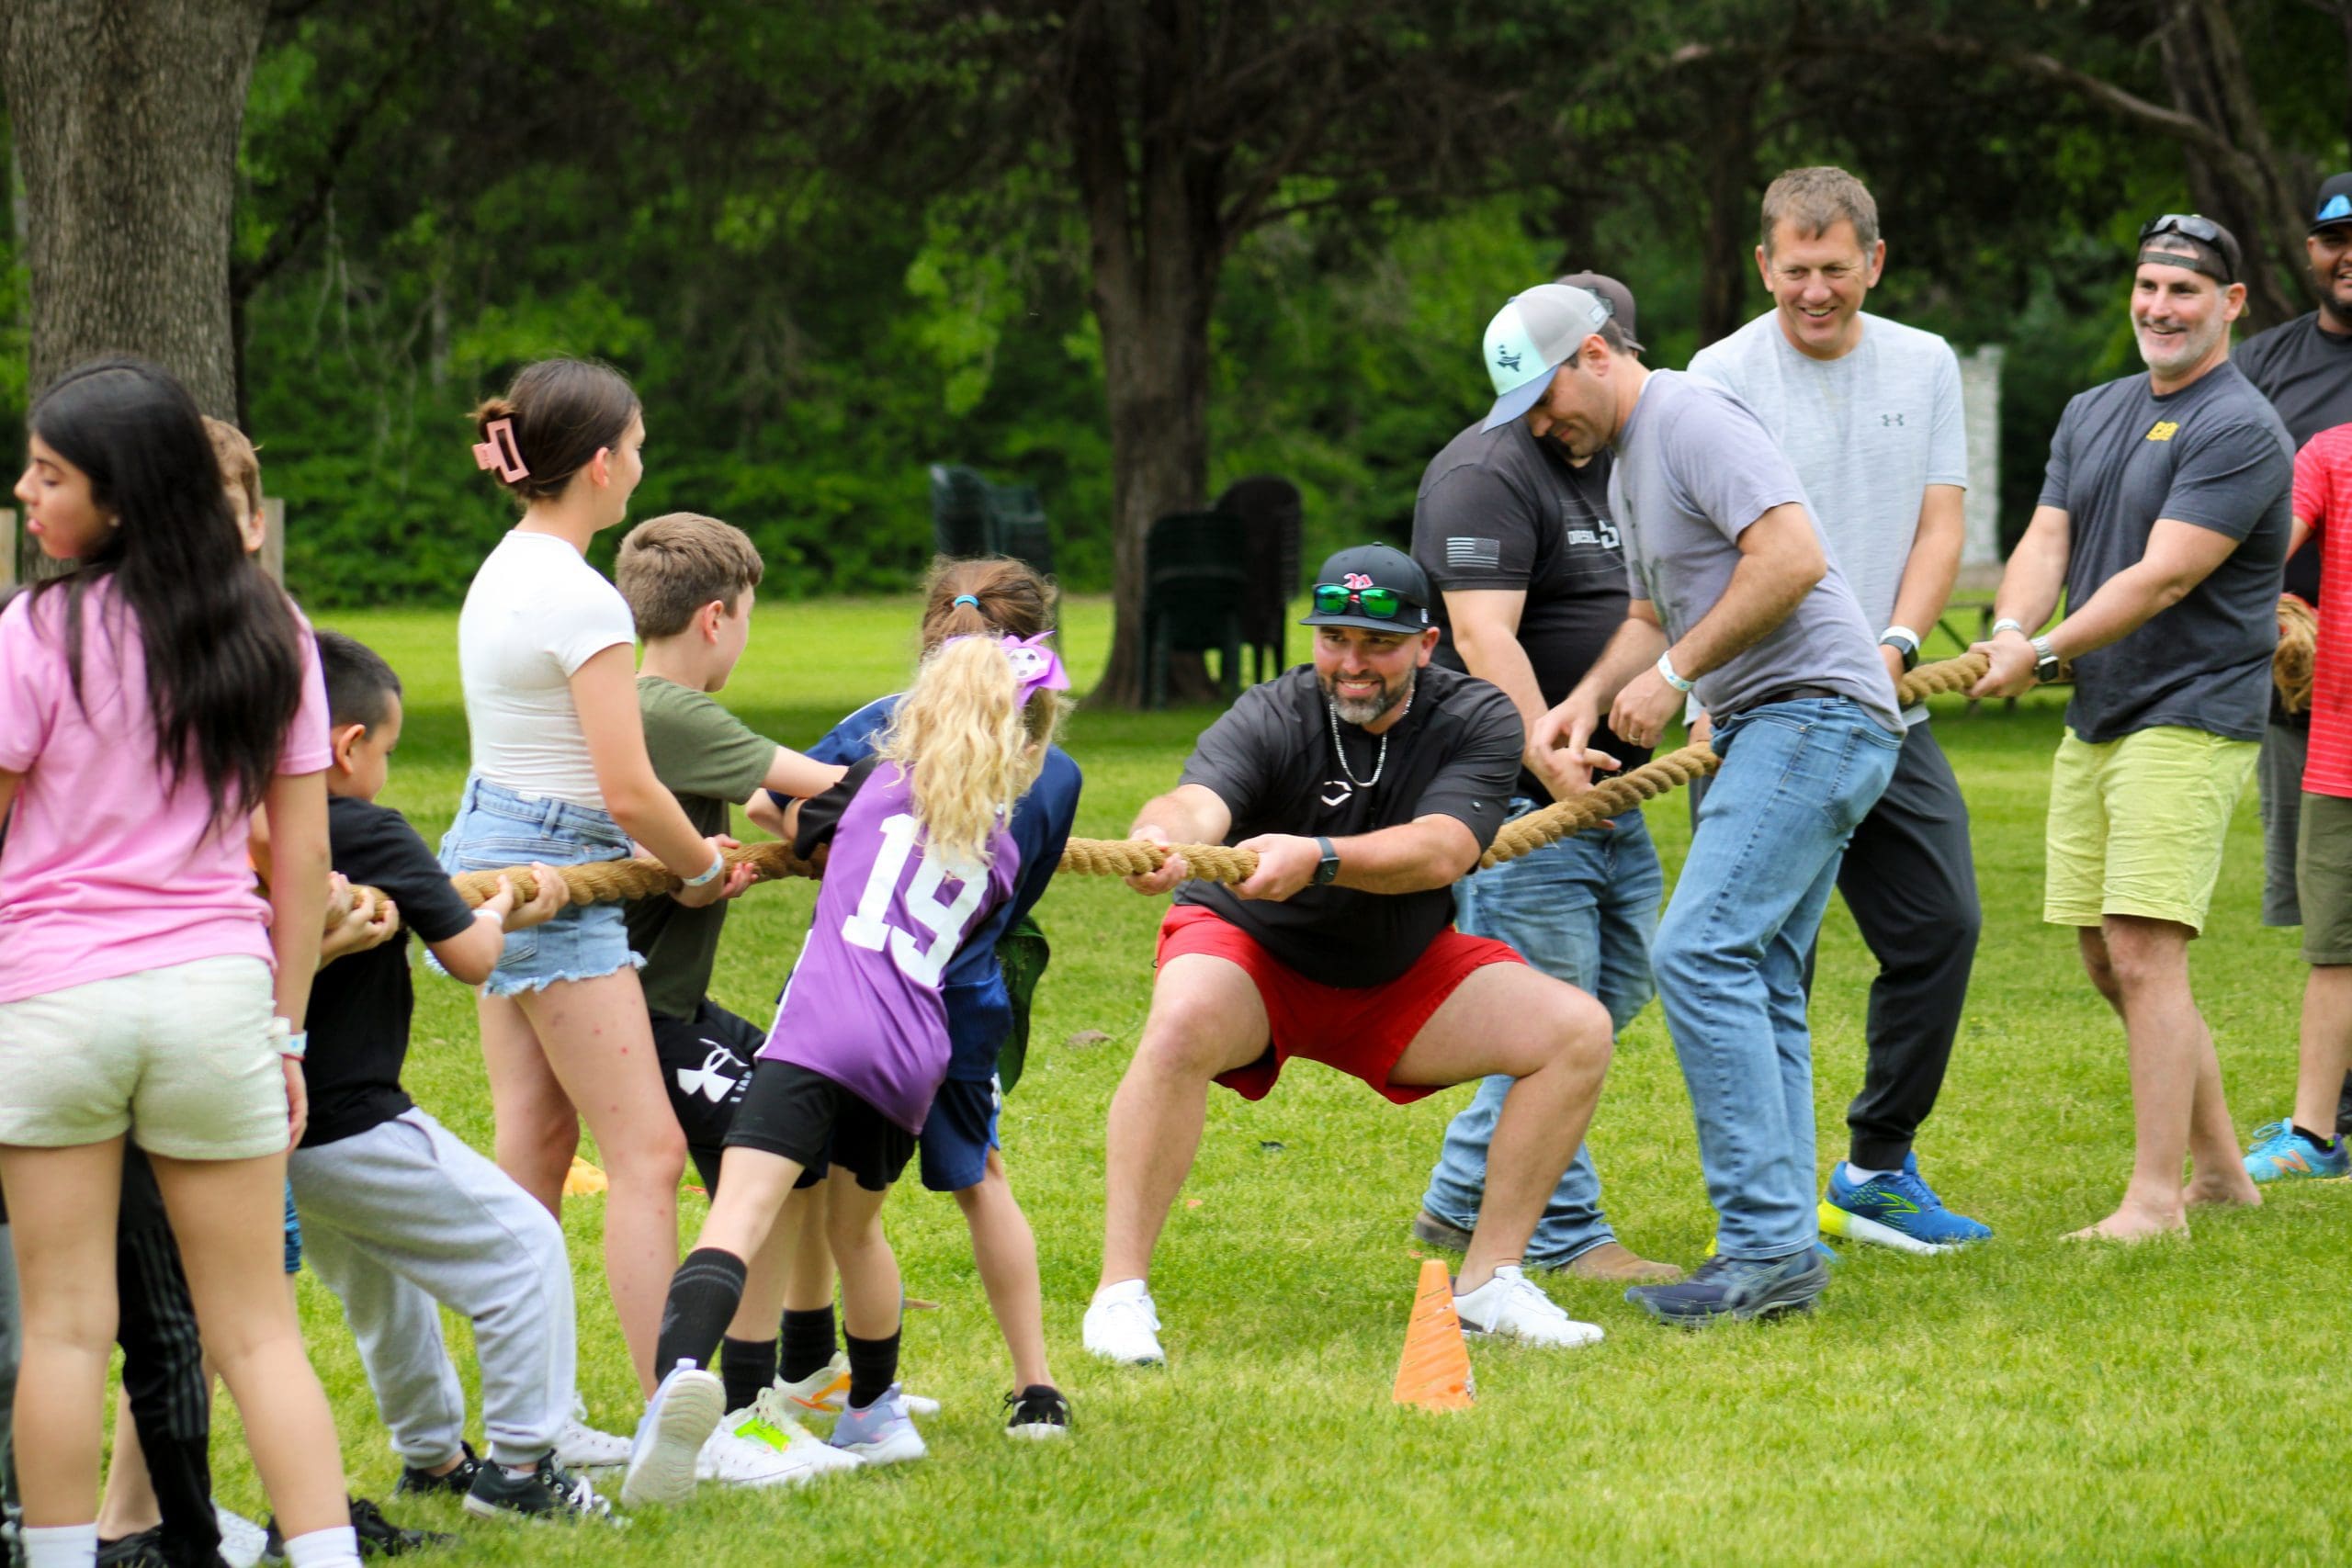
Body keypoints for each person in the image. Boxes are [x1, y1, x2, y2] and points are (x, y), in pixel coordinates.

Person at [1083, 543, 1617, 1366]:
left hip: (1394, 971)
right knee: (1183, 1019)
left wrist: (1320, 856)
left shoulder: (1478, 716)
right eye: (1334, 639)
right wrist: (1162, 834)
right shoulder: (1273, 710)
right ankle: (1120, 1294)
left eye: (1378, 643)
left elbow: (1442, 850)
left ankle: (1489, 1278)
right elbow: (1198, 799)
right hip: (1251, 957)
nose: (1352, 663)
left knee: (1575, 1030)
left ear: (1426, 645)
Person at [0, 358, 362, 1568]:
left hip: (51, 997)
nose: (25, 491)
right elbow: (301, 858)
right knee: (259, 1331)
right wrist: (290, 1028)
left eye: (49, 474)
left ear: (121, 496)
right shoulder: (278, 626)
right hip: (216, 1000)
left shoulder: (34, 627)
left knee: (62, 1327)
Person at [1501, 282, 1905, 1325]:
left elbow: (1794, 558)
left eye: (1544, 402)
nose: (1545, 429)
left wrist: (1676, 677)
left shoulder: (1688, 416)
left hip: (1810, 714)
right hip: (1790, 723)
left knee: (1699, 951)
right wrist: (1580, 704)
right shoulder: (1634, 458)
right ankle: (1772, 1249)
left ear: (1593, 353)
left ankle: (1767, 1250)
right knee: (1758, 968)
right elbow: (1649, 609)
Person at [617, 618, 1063, 1506]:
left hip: (822, 1030)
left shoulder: (867, 786)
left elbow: (783, 817)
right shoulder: (1005, 853)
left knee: (740, 1210)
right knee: (857, 1230)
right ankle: (873, 1408)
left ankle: (675, 1395)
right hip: (912, 1058)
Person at [1685, 166, 1991, 1252]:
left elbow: (1938, 524)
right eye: (1793, 270)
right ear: (1763, 265)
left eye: (1834, 269)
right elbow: (1704, 549)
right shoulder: (1715, 376)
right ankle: (1768, 1214)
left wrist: (1899, 641)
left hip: (1887, 709)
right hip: (1762, 718)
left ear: (1873, 261)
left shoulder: (1923, 361)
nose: (1814, 291)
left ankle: (1874, 1165)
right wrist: (1698, 697)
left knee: (1940, 926)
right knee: (1767, 960)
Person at [1970, 214, 2290, 1239]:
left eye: (2185, 292)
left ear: (2231, 305)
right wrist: (2012, 625)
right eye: (2148, 287)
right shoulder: (2095, 409)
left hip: (2189, 712)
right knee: (2108, 959)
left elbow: (2166, 574)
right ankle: (2220, 1174)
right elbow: (2047, 534)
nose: (2159, 308)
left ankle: (2154, 1204)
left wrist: (2045, 654)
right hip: (2103, 715)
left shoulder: (2238, 427)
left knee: (2146, 950)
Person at [436, 359, 751, 1401]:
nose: (642, 466)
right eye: (642, 445)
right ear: (604, 463)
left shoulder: (505, 567)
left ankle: (535, 1419)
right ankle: (673, 1410)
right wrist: (701, 869)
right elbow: (627, 789)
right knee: (650, 1155)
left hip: (488, 845)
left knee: (532, 1148)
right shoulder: (585, 599)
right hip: (555, 864)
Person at [283, 629, 650, 1525]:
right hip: (349, 1119)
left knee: (384, 1288)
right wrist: (519, 896)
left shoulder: (245, 821)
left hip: (268, 1131)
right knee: (523, 1248)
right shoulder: (367, 830)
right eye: (389, 751)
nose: (386, 770)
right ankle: (521, 1473)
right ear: (347, 748)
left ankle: (435, 1459)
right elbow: (472, 958)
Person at [1407, 272, 1677, 1285]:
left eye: (1548, 401)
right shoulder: (1482, 475)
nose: (1545, 423)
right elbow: (1482, 635)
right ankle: (1562, 1234)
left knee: (1617, 989)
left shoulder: (1619, 459)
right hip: (1522, 799)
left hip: (1606, 799)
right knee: (1554, 1014)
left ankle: (1457, 1196)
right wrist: (1545, 758)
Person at [784, 558, 1082, 1437]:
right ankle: (1036, 1386)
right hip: (963, 1007)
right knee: (983, 1177)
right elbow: (1015, 895)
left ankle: (810, 1366)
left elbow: (782, 802)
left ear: (929, 638)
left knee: (811, 1177)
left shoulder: (884, 725)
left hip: (855, 988)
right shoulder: (1052, 772)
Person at [608, 511, 868, 1481]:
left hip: (659, 1001)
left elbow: (779, 806)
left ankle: (793, 1379)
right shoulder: (672, 710)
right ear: (716, 618)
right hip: (637, 1012)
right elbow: (842, 789)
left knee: (798, 1119)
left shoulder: (646, 707)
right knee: (773, 1142)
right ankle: (746, 1409)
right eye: (748, 617)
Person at [2232, 172, 2352, 1129]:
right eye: (2332, 237)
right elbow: (2232, 498)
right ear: (2309, 252)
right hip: (2305, 681)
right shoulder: (2265, 364)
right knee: (2322, 900)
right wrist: (2263, 600)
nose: (2348, 254)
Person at [2240, 424, 2352, 1180]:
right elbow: (2261, 545)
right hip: (2341, 751)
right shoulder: (2332, 452)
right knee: (2336, 947)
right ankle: (2315, 1136)